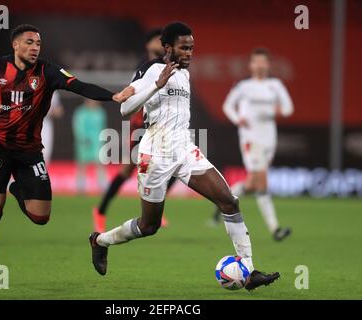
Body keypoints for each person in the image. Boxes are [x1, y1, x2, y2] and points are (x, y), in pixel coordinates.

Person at [88, 22, 280, 291]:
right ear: (167, 48)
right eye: (184, 48)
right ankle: (100, 241)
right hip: (155, 153)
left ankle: (248, 269)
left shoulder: (185, 74)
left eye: (191, 48)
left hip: (184, 148)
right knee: (149, 225)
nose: (189, 53)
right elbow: (125, 110)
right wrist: (156, 84)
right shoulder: (151, 70)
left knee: (229, 201)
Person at [0, 24, 134, 287]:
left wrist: (113, 96)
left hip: (31, 152)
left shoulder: (47, 71)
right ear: (16, 45)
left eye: (38, 44)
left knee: (41, 217)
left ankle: (16, 189)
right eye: (30, 42)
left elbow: (79, 86)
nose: (35, 48)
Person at [92, 28, 175, 232]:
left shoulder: (168, 67)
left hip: (161, 126)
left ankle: (154, 209)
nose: (161, 42)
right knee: (130, 170)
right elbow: (132, 95)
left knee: (172, 166)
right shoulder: (144, 67)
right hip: (141, 125)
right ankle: (101, 210)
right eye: (157, 39)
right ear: (148, 45)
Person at [211, 48, 293, 241]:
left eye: (263, 62)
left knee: (252, 184)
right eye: (256, 62)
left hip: (268, 139)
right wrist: (238, 118)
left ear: (268, 65)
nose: (259, 65)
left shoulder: (275, 85)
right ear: (250, 65)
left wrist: (274, 110)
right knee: (261, 181)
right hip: (250, 138)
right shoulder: (243, 86)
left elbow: (289, 108)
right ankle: (275, 229)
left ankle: (223, 201)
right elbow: (227, 106)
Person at [73, 98, 107, 192]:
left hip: (97, 143)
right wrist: (83, 139)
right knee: (82, 165)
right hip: (84, 143)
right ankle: (80, 187)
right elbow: (78, 127)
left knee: (100, 164)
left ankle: (103, 187)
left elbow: (102, 127)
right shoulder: (81, 112)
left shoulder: (100, 112)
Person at [41, 91, 64, 164]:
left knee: (45, 152)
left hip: (45, 123)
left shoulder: (52, 91)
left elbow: (59, 111)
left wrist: (52, 111)